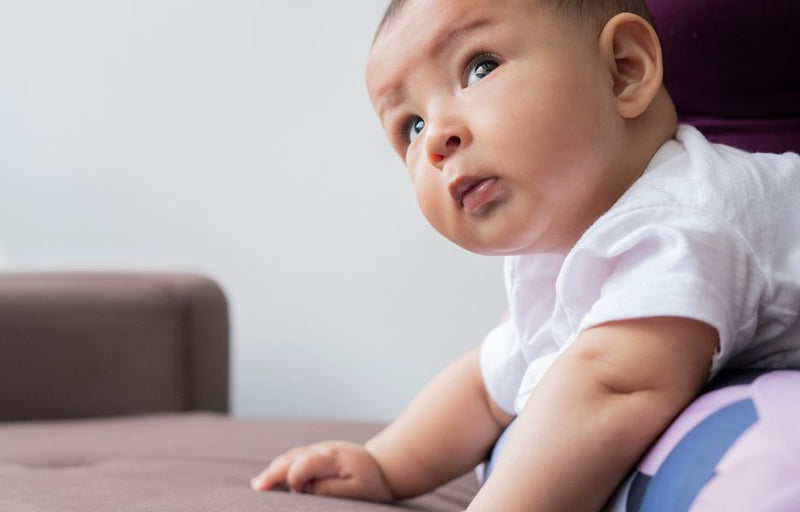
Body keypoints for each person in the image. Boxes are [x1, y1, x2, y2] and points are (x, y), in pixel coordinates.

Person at [249, 0, 800, 510]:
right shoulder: (561, 254)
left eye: (478, 68)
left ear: (623, 70)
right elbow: (486, 386)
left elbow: (611, 388)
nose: (436, 138)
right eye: (410, 127)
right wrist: (385, 464)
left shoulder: (685, 216)